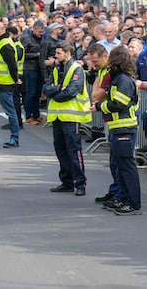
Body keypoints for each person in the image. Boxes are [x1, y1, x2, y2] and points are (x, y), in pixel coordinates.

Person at [93, 46, 141, 215]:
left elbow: (118, 104)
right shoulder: (119, 78)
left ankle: (133, 204)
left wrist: (100, 106)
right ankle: (124, 199)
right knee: (121, 168)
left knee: (127, 168)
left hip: (124, 128)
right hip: (118, 128)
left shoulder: (123, 80)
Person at [44, 43, 91, 196]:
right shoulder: (57, 69)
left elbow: (71, 91)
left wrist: (55, 94)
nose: (56, 56)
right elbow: (46, 88)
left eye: (58, 53)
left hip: (71, 116)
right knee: (61, 149)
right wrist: (58, 89)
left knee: (73, 150)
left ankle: (80, 183)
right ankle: (67, 181)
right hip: (58, 116)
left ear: (67, 53)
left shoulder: (76, 69)